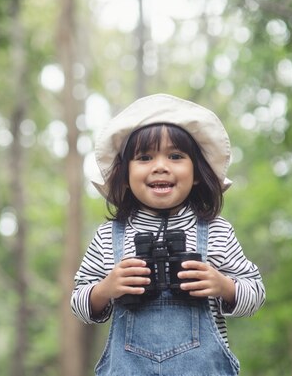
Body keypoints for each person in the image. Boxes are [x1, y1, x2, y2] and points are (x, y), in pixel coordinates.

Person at [71, 93, 265, 375]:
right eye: (144, 157)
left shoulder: (216, 231)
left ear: (197, 173)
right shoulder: (107, 237)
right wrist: (104, 289)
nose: (160, 166)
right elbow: (78, 303)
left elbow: (256, 294)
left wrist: (225, 286)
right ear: (125, 175)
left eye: (175, 156)